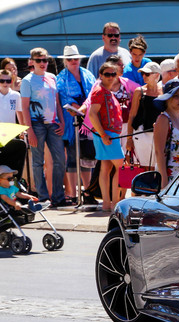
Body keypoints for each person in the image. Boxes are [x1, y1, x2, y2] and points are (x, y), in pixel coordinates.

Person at [20, 47, 67, 207]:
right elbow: (25, 107)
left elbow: (57, 102)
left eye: (45, 60)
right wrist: (29, 130)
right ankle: (43, 196)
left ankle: (58, 197)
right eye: (39, 60)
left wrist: (62, 121)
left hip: (53, 123)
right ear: (32, 62)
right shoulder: (27, 80)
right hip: (36, 123)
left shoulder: (52, 77)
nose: (42, 63)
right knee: (38, 162)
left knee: (60, 159)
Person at [56, 45, 96, 201]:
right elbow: (64, 97)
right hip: (72, 122)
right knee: (72, 158)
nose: (73, 61)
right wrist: (81, 109)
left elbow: (93, 93)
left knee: (87, 156)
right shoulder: (61, 77)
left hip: (88, 121)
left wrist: (87, 110)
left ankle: (87, 192)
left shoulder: (87, 74)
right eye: (70, 59)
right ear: (65, 61)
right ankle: (72, 193)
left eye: (76, 58)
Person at [88, 62, 124, 212]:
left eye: (113, 74)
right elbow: (92, 113)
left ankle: (107, 204)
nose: (110, 77)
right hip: (107, 134)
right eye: (107, 74)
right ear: (101, 75)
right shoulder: (100, 91)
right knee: (120, 167)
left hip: (107, 134)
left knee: (106, 167)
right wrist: (103, 134)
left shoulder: (104, 91)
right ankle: (115, 202)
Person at [152, 83, 179, 187]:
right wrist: (163, 180)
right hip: (168, 176)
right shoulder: (163, 119)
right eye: (176, 95)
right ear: (167, 98)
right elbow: (159, 152)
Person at [127, 61, 163, 170]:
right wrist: (129, 138)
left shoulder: (164, 91)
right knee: (143, 167)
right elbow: (132, 115)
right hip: (141, 132)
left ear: (157, 75)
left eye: (147, 74)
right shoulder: (139, 91)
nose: (144, 76)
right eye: (142, 74)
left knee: (158, 166)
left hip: (159, 133)